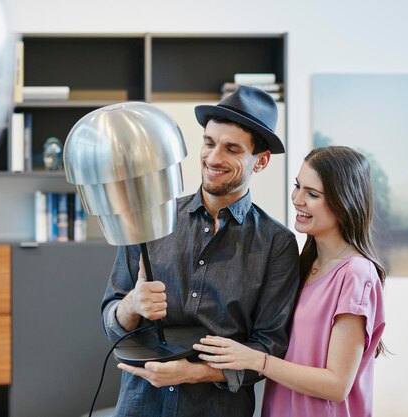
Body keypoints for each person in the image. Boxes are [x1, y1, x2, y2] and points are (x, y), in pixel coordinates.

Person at [101, 85, 301, 417]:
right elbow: (111, 321)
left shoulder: (276, 244)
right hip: (139, 406)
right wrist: (132, 304)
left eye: (232, 149)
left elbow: (268, 350)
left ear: (261, 161)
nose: (214, 158)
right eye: (209, 143)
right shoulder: (150, 220)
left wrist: (192, 373)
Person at [194, 146, 386, 417]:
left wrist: (256, 360)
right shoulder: (305, 265)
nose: (297, 199)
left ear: (345, 202)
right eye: (298, 186)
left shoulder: (356, 275)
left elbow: (337, 385)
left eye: (312, 194)